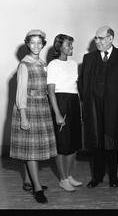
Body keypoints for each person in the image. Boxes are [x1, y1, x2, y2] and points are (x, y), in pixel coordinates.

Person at [77, 26, 118, 188]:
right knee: (96, 143)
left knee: (111, 142)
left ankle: (114, 176)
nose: (97, 41)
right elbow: (81, 82)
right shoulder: (88, 58)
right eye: (96, 38)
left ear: (111, 38)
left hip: (113, 107)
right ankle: (97, 176)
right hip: (93, 106)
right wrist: (87, 100)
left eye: (101, 38)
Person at [10, 29, 57, 204]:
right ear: (27, 44)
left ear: (43, 44)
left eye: (39, 43)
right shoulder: (24, 65)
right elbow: (20, 92)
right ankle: (37, 189)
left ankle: (29, 181)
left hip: (41, 108)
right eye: (32, 43)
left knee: (32, 149)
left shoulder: (43, 63)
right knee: (31, 151)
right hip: (28, 109)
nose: (36, 46)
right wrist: (23, 116)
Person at [47, 34, 83, 192]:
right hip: (61, 102)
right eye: (68, 45)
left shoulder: (74, 64)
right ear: (59, 47)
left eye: (72, 45)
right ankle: (62, 179)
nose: (71, 48)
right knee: (62, 144)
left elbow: (76, 88)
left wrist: (80, 110)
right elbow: (51, 91)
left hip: (74, 102)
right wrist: (57, 113)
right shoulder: (53, 64)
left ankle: (68, 176)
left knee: (74, 142)